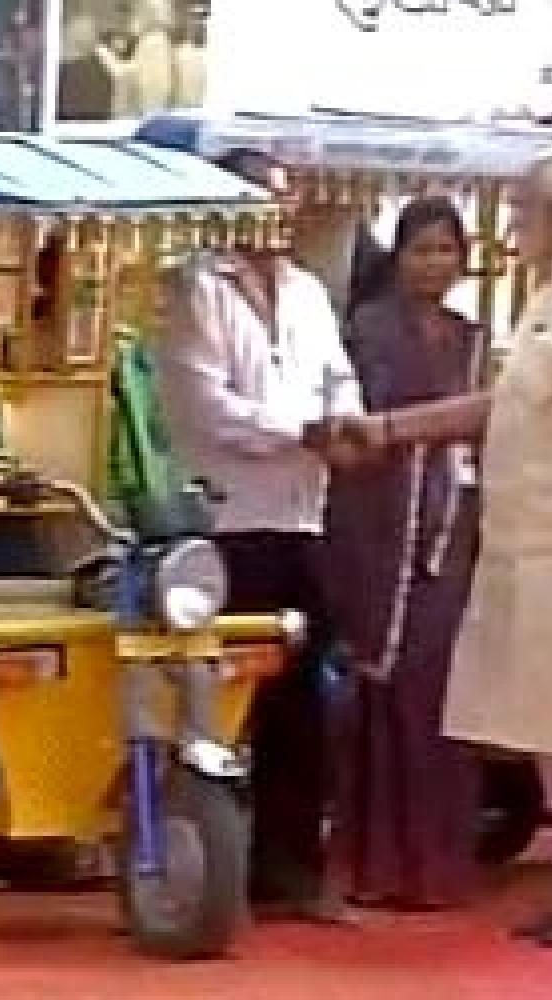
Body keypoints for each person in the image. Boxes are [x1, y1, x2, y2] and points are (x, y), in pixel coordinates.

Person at [324, 145, 552, 949]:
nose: (513, 231)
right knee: (551, 719)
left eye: (524, 214)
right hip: (532, 550)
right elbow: (508, 407)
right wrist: (391, 431)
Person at [155, 148, 364, 924]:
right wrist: (304, 430)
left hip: (303, 515)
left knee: (301, 700)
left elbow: (339, 374)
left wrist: (342, 419)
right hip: (229, 521)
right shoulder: (191, 290)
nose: (276, 216)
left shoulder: (309, 291)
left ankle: (292, 873)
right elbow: (210, 410)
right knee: (218, 701)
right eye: (259, 201)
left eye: (284, 201)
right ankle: (211, 868)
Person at [327, 197, 487, 910]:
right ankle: (379, 863)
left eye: (446, 252)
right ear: (398, 256)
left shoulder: (471, 336)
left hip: (452, 528)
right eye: (421, 251)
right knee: (387, 681)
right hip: (383, 523)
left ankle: (439, 863)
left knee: (443, 687)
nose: (434, 265)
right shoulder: (368, 329)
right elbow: (361, 433)